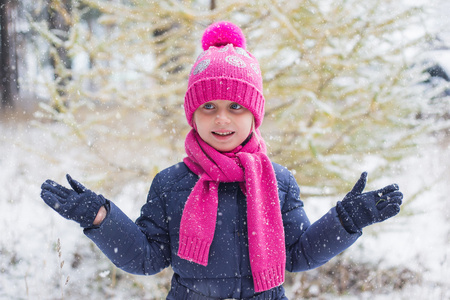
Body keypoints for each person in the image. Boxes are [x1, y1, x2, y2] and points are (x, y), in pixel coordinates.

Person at [40, 21, 403, 299]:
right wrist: (101, 219)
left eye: (236, 107)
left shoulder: (277, 181)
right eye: (209, 106)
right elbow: (146, 259)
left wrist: (346, 220)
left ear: (254, 115)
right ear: (193, 114)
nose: (222, 119)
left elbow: (298, 254)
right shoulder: (170, 184)